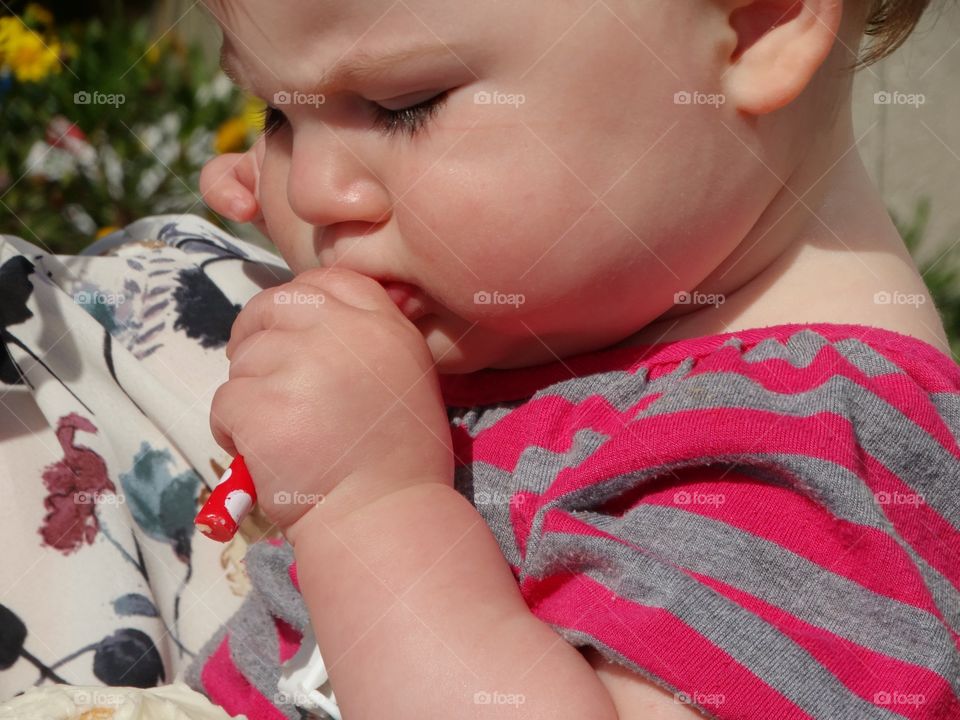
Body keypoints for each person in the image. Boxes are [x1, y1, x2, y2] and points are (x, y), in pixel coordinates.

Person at [1, 0, 956, 718]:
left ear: (755, 24)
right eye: (281, 115)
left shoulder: (819, 458)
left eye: (404, 104)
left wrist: (371, 508)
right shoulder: (585, 328)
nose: (317, 189)